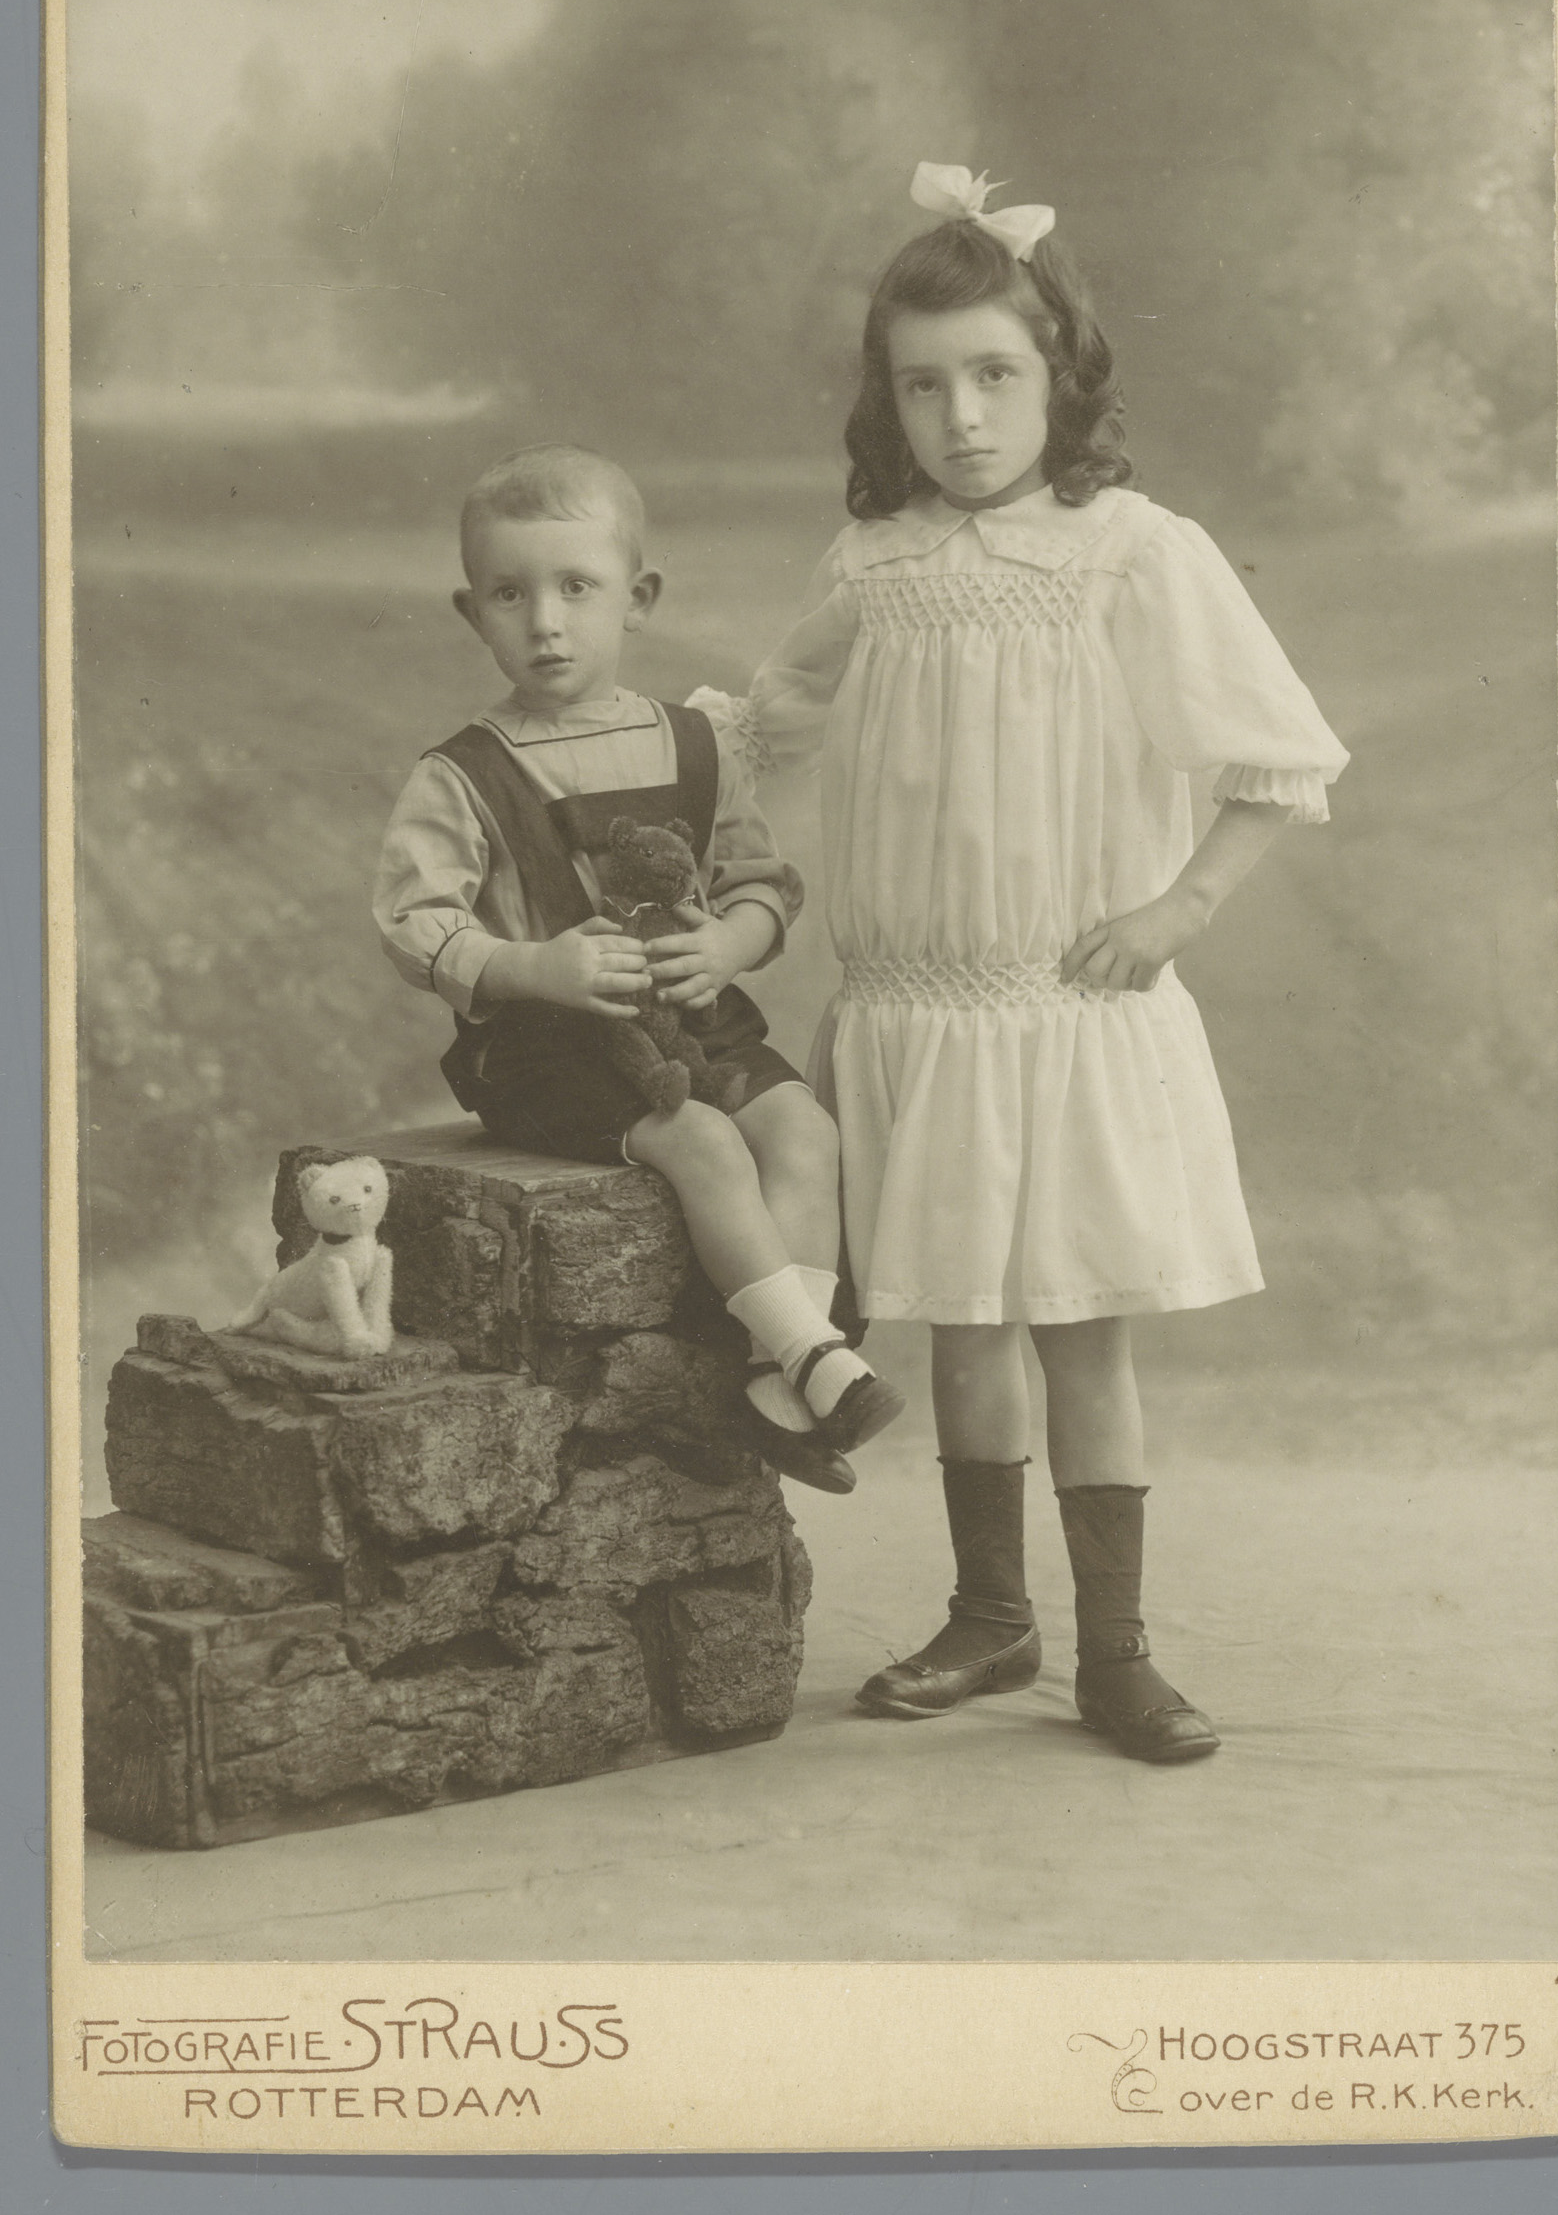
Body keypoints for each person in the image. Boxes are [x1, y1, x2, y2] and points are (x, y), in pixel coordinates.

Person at [692, 164, 1350, 1758]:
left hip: (1068, 1013)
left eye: (995, 375)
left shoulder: (1131, 553)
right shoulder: (875, 562)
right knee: (964, 1333)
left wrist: (1177, 911)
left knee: (1077, 1332)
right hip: (920, 1019)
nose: (964, 418)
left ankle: (1116, 1651)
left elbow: (1274, 761)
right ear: (888, 400)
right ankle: (992, 1618)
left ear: (1061, 375)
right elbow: (765, 725)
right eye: (924, 386)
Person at [373, 443, 904, 1496]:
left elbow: (760, 884)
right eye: (510, 594)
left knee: (805, 1131)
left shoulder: (694, 743)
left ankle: (778, 1385)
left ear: (639, 598)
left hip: (694, 1021)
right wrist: (532, 964)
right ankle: (812, 1354)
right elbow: (413, 923)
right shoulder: (463, 773)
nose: (545, 622)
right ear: (473, 612)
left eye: (577, 588)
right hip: (548, 1051)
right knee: (700, 1138)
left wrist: (728, 944)